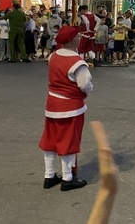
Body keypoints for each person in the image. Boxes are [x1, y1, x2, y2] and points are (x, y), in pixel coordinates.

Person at [38, 25, 93, 191]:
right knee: (68, 140)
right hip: (71, 106)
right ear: (73, 40)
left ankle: (49, 175)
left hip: (52, 104)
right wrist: (90, 90)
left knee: (51, 139)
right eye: (77, 36)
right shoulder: (77, 62)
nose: (79, 38)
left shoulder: (53, 56)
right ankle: (68, 177)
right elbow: (84, 84)